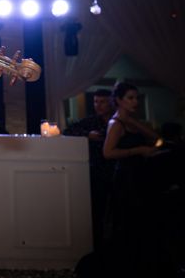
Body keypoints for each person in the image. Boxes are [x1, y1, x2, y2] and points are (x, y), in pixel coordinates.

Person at [102, 82, 161, 277]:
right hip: (126, 178)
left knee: (142, 223)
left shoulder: (128, 121)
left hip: (139, 176)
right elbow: (108, 153)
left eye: (136, 98)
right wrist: (138, 150)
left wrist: (133, 122)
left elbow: (157, 139)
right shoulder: (115, 123)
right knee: (128, 222)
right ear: (119, 100)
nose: (135, 101)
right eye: (130, 98)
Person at [63, 88, 115, 251]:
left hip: (117, 169)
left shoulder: (118, 121)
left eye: (102, 102)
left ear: (111, 103)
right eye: (95, 102)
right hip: (96, 171)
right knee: (97, 211)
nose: (98, 105)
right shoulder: (91, 122)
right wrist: (87, 135)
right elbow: (68, 131)